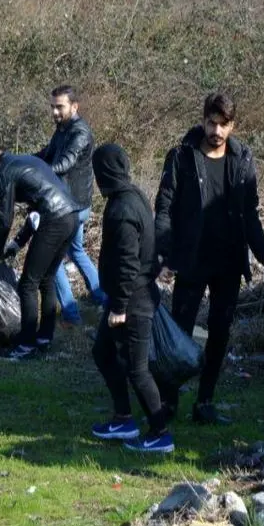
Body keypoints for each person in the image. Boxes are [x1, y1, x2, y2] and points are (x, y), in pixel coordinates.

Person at [154, 93, 264, 425]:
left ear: (232, 125)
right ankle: (167, 401)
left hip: (228, 263)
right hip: (190, 259)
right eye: (212, 122)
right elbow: (164, 208)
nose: (217, 131)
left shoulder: (242, 159)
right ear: (203, 119)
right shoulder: (182, 156)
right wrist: (164, 254)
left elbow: (250, 214)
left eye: (224, 125)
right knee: (179, 333)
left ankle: (204, 402)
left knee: (220, 333)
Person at [87, 144, 174, 454]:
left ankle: (160, 432)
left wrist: (120, 307)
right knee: (103, 352)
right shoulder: (130, 194)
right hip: (126, 296)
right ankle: (124, 418)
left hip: (132, 300)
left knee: (137, 369)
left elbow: (127, 261)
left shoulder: (122, 209)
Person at [0, 138, 82, 361]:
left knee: (28, 283)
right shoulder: (22, 160)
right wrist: (16, 244)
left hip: (55, 219)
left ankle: (26, 346)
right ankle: (44, 337)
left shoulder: (3, 171)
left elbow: (4, 219)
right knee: (46, 279)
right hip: (71, 216)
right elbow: (36, 210)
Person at [34, 85, 106, 325]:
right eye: (52, 107)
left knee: (53, 260)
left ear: (74, 107)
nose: (54, 112)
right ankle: (101, 298)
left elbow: (64, 163)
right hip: (72, 204)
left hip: (72, 207)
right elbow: (48, 153)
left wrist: (36, 175)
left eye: (59, 107)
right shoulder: (62, 129)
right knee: (76, 251)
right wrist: (23, 161)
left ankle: (71, 314)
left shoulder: (80, 132)